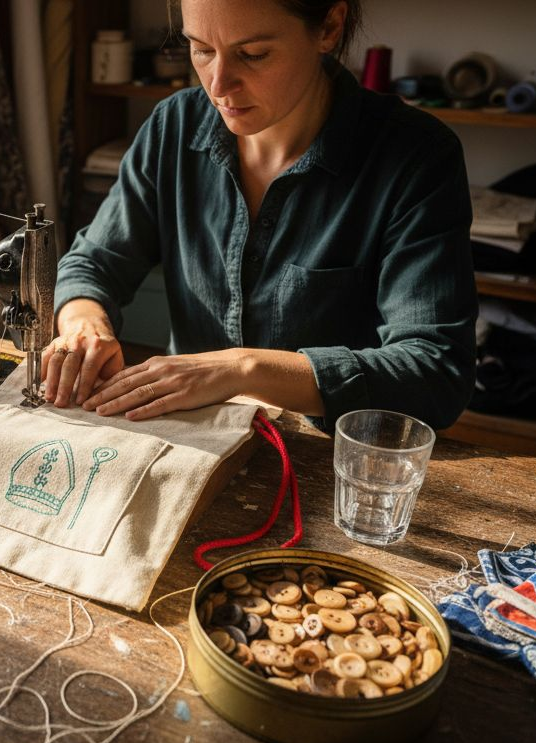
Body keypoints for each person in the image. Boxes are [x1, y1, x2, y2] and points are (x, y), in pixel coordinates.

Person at [43, 0, 477, 431]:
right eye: (201, 49)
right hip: (188, 439)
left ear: (329, 27)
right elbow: (93, 264)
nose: (218, 84)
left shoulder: (416, 157)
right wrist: (84, 324)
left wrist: (244, 368)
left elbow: (434, 372)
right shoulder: (172, 127)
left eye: (252, 55)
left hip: (327, 456)